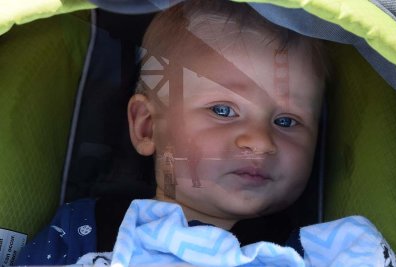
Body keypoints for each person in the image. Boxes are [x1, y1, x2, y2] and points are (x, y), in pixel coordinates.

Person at [17, 0, 328, 265]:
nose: (261, 141)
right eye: (222, 111)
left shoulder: (312, 252)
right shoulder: (84, 231)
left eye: (287, 121)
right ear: (148, 126)